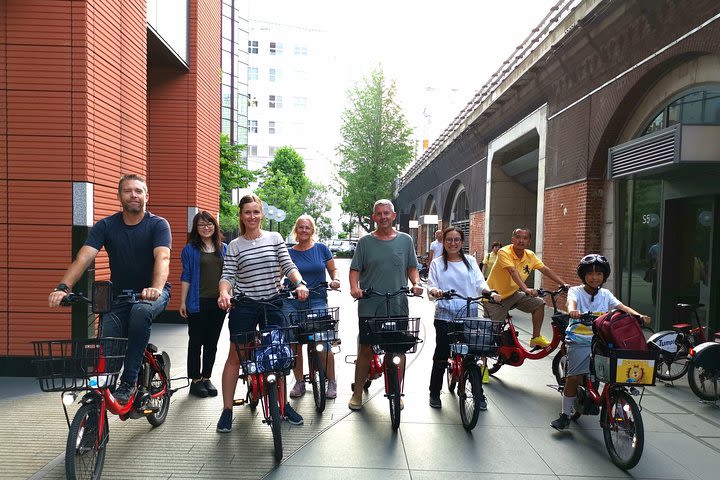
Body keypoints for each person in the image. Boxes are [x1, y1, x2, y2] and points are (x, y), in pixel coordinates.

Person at [48, 174, 172, 405]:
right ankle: (102, 393)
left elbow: (163, 257)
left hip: (153, 293)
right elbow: (83, 257)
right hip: (119, 296)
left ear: (147, 196)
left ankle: (129, 382)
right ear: (119, 196)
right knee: (108, 342)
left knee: (140, 312)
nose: (133, 195)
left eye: (138, 190)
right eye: (127, 191)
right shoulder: (106, 225)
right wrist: (63, 287)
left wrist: (155, 288)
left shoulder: (157, 224)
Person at [215, 194, 309, 432]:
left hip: (273, 303)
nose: (252, 216)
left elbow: (288, 265)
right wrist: (225, 293)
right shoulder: (235, 245)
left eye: (256, 212)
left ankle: (283, 404)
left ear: (262, 214)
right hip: (245, 305)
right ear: (241, 216)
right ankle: (227, 410)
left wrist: (299, 284)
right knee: (237, 356)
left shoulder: (274, 238)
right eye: (248, 212)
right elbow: (227, 276)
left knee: (277, 356)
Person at [551, 254, 650, 430]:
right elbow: (570, 303)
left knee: (614, 375)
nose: (594, 277)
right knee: (573, 377)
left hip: (602, 340)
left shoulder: (605, 294)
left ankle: (617, 404)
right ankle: (565, 415)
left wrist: (638, 316)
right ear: (583, 275)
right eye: (590, 273)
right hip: (579, 339)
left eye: (599, 274)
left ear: (604, 276)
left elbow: (622, 307)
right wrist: (573, 311)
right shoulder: (576, 291)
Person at [348, 199, 424, 410]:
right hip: (370, 304)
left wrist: (416, 283)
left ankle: (396, 391)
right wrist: (354, 288)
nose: (383, 217)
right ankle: (357, 393)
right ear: (374, 217)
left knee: (398, 349)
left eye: (386, 213)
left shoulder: (405, 240)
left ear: (393, 215)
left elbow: (412, 268)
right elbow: (355, 269)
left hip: (398, 304)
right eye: (379, 214)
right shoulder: (364, 243)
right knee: (365, 349)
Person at [426, 227, 502, 409]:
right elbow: (431, 285)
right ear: (443, 242)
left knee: (472, 354)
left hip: (469, 314)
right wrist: (435, 291)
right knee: (442, 354)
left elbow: (479, 282)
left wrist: (489, 292)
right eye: (449, 240)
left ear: (462, 242)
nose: (453, 243)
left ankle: (478, 394)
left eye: (457, 240)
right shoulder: (437, 263)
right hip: (445, 315)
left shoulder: (470, 261)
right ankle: (434, 392)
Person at [284, 215, 341, 399]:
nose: (304, 231)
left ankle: (331, 380)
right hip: (292, 300)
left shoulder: (321, 249)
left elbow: (333, 269)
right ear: (296, 229)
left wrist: (335, 279)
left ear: (312, 230)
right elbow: (280, 272)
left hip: (316, 298)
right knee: (293, 343)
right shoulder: (288, 252)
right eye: (300, 227)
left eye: (307, 227)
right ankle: (299, 382)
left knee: (322, 341)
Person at [485, 227, 568, 348]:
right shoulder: (504, 252)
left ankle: (536, 338)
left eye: (525, 238)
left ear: (529, 242)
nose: (521, 241)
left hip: (513, 294)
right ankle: (483, 364)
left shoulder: (530, 255)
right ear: (512, 239)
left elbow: (545, 269)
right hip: (494, 297)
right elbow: (513, 272)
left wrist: (563, 284)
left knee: (539, 304)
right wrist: (526, 289)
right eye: (518, 237)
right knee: (490, 336)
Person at [179, 211, 227, 398]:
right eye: (201, 225)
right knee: (196, 341)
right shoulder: (190, 249)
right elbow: (186, 275)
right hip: (196, 302)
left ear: (215, 226)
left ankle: (206, 377)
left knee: (212, 343)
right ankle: (195, 380)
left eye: (209, 224)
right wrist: (182, 301)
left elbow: (230, 275)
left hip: (219, 303)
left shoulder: (224, 248)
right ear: (196, 228)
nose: (206, 228)